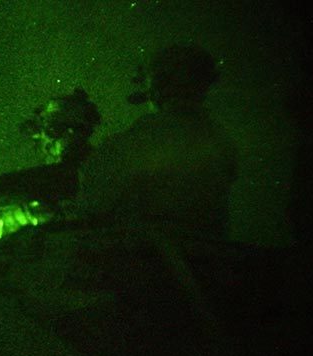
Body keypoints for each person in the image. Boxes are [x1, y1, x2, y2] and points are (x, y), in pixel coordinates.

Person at [79, 44, 238, 240]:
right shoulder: (223, 141)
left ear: (156, 84)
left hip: (151, 260)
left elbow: (92, 204)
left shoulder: (134, 142)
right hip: (210, 260)